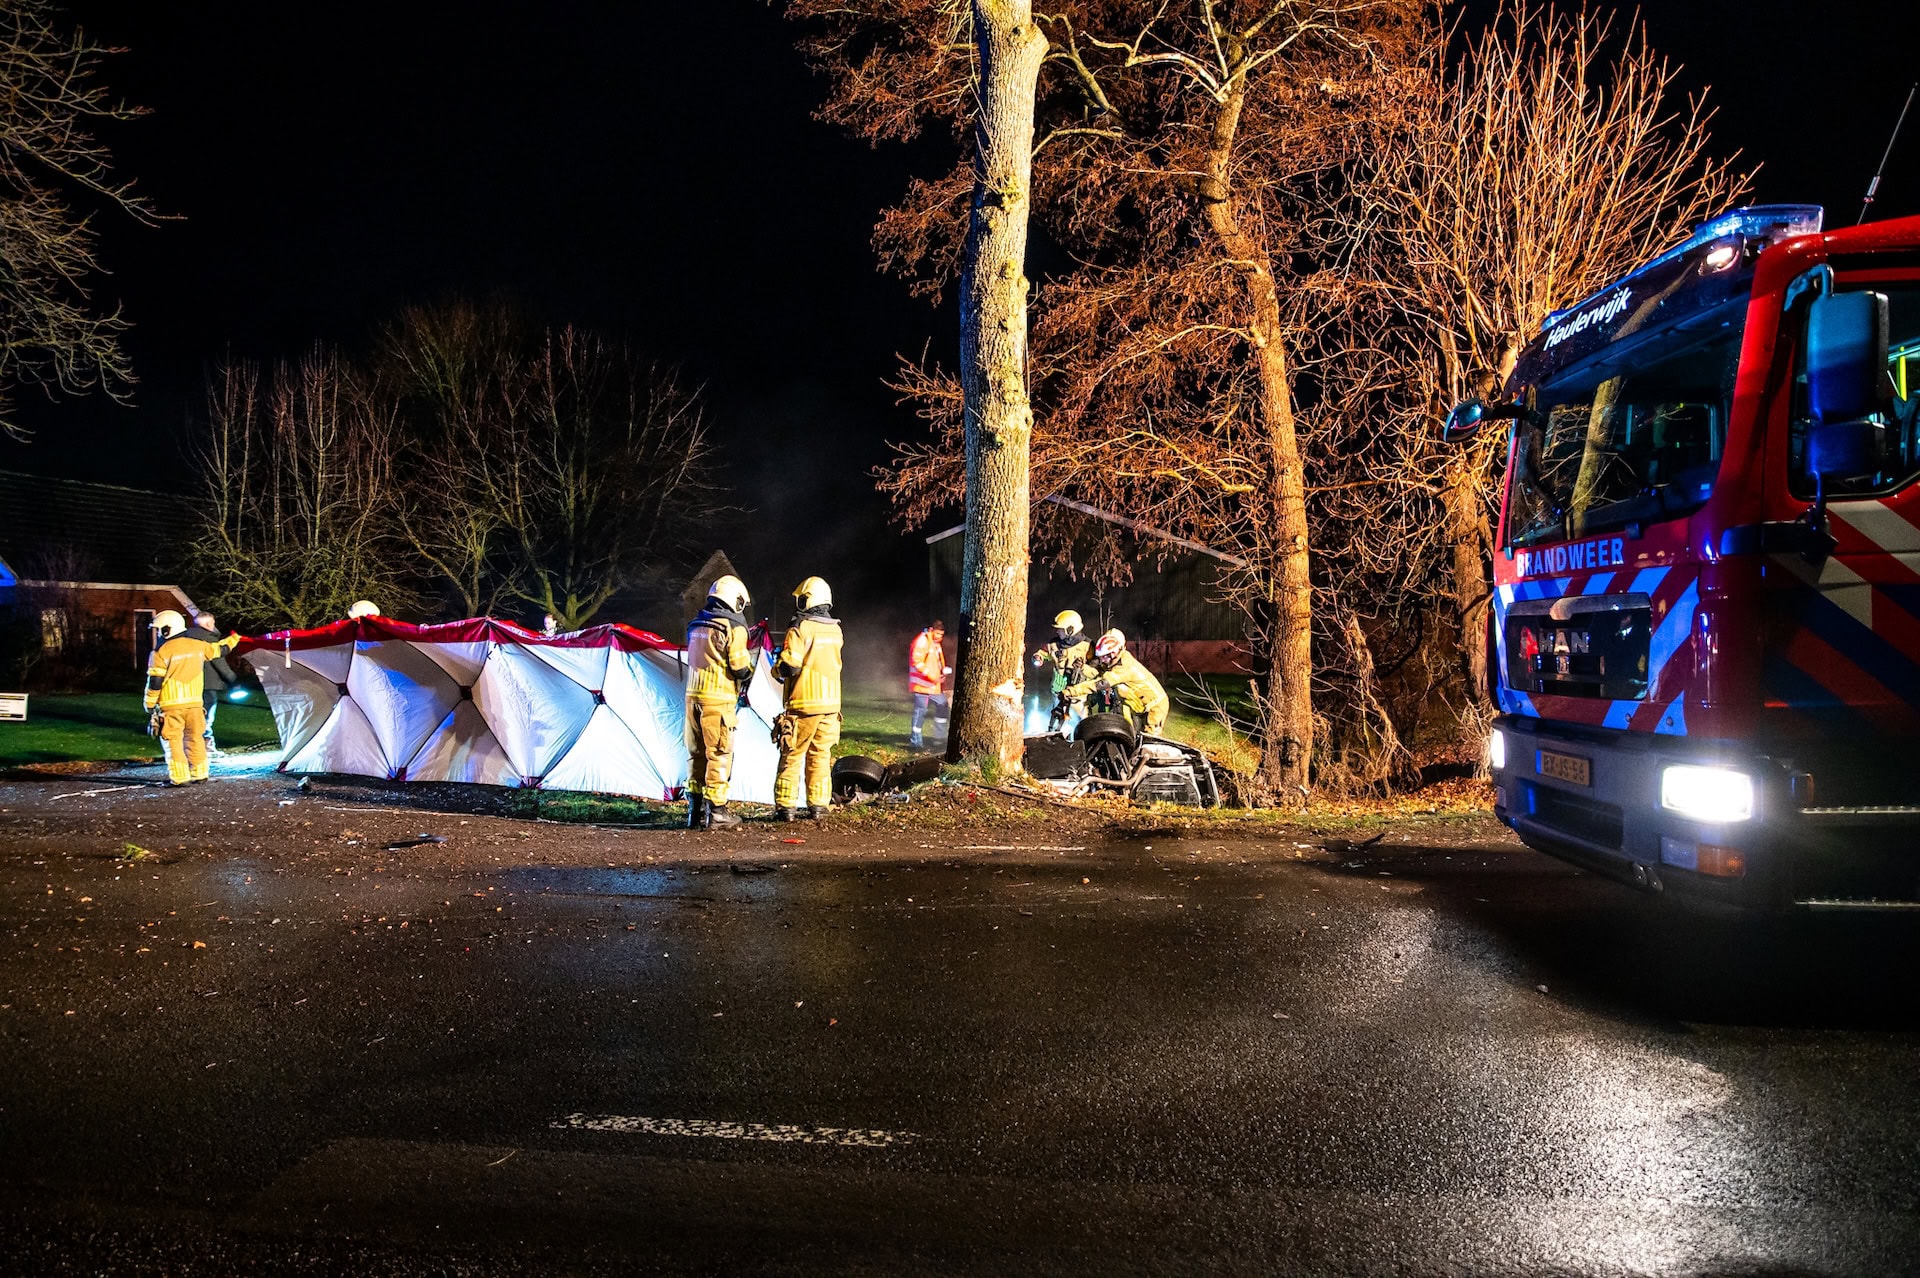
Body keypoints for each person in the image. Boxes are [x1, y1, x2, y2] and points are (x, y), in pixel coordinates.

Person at [684, 574, 755, 830]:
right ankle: (717, 812)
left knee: (696, 754)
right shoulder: (732, 627)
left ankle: (693, 810)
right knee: (719, 755)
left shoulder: (696, 624)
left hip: (692, 699)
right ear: (734, 600)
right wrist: (750, 671)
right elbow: (738, 666)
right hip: (719, 700)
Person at [772, 576, 844, 821]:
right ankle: (819, 807)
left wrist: (776, 665)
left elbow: (790, 665)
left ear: (807, 599)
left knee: (791, 755)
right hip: (831, 707)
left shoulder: (800, 627)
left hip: (803, 704)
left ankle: (786, 808)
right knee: (821, 756)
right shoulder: (836, 629)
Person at [142, 610, 241, 786]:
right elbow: (220, 649)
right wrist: (235, 638)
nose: (159, 633)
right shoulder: (197, 645)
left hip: (171, 706)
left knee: (173, 743)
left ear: (167, 629)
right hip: (195, 704)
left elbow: (155, 681)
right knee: (195, 739)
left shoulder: (160, 652)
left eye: (160, 629)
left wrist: (149, 703)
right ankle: (200, 773)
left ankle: (180, 778)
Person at [1062, 628, 1170, 736]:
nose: (1102, 660)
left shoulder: (1124, 667)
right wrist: (1083, 668)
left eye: (1104, 657)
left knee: (1149, 739)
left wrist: (1071, 691)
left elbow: (1100, 684)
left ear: (1113, 653)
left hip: (1155, 707)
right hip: (1141, 706)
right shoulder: (1116, 661)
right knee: (1136, 737)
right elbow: (1099, 674)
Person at [180, 611, 241, 755]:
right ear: (208, 624)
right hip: (208, 683)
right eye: (213, 623)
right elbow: (218, 661)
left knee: (191, 716)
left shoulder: (185, 638)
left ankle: (188, 746)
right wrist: (233, 680)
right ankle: (205, 746)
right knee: (206, 716)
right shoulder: (208, 639)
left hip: (187, 684)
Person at [1031, 609, 1090, 727]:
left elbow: (1096, 668)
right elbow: (1042, 653)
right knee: (1055, 722)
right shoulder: (1053, 645)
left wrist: (1084, 669)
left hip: (1078, 695)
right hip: (1058, 693)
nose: (1057, 631)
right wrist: (1037, 657)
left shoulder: (1088, 646)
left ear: (1070, 629)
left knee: (1080, 724)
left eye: (1060, 629)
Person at [908, 620, 950, 749]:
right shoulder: (922, 641)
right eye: (937, 633)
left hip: (932, 686)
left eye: (942, 635)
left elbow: (935, 662)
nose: (939, 637)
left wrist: (942, 672)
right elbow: (916, 661)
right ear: (931, 630)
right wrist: (932, 677)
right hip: (922, 685)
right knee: (920, 711)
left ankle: (939, 738)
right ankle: (916, 742)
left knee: (942, 705)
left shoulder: (935, 643)